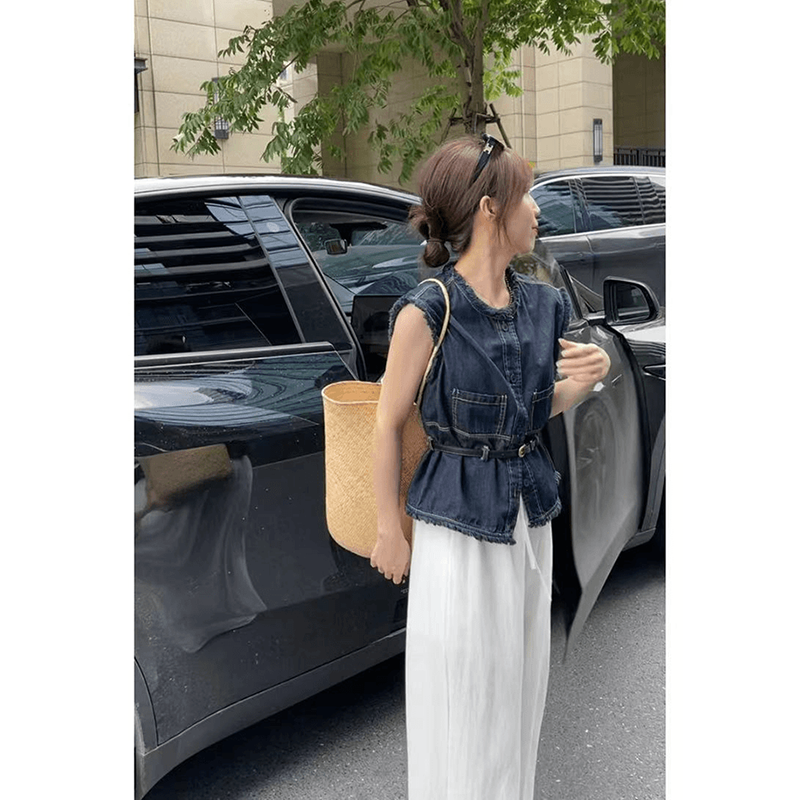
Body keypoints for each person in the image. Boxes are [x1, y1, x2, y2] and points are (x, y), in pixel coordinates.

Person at [370, 134, 611, 800]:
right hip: (457, 529)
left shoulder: (545, 304)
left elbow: (532, 412)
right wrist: (389, 529)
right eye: (525, 195)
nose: (537, 210)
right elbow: (386, 423)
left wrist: (586, 378)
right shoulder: (427, 311)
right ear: (489, 210)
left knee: (517, 695)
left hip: (529, 520)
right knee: (463, 702)